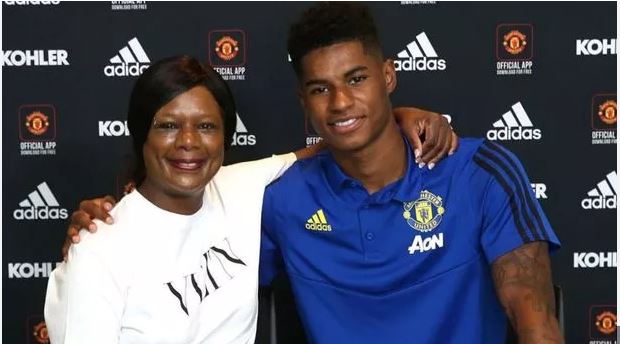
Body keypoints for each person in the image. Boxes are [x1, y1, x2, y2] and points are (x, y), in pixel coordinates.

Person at [47, 57, 456, 342]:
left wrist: (400, 116)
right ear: (142, 135)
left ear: (225, 137)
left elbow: (338, 142)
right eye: (168, 125)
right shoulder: (99, 250)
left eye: (206, 126)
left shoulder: (240, 187)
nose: (188, 143)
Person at [257, 3, 563, 344]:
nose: (340, 102)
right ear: (304, 101)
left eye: (356, 79)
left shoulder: (479, 174)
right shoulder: (282, 200)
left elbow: (536, 323)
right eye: (320, 89)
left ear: (388, 76)